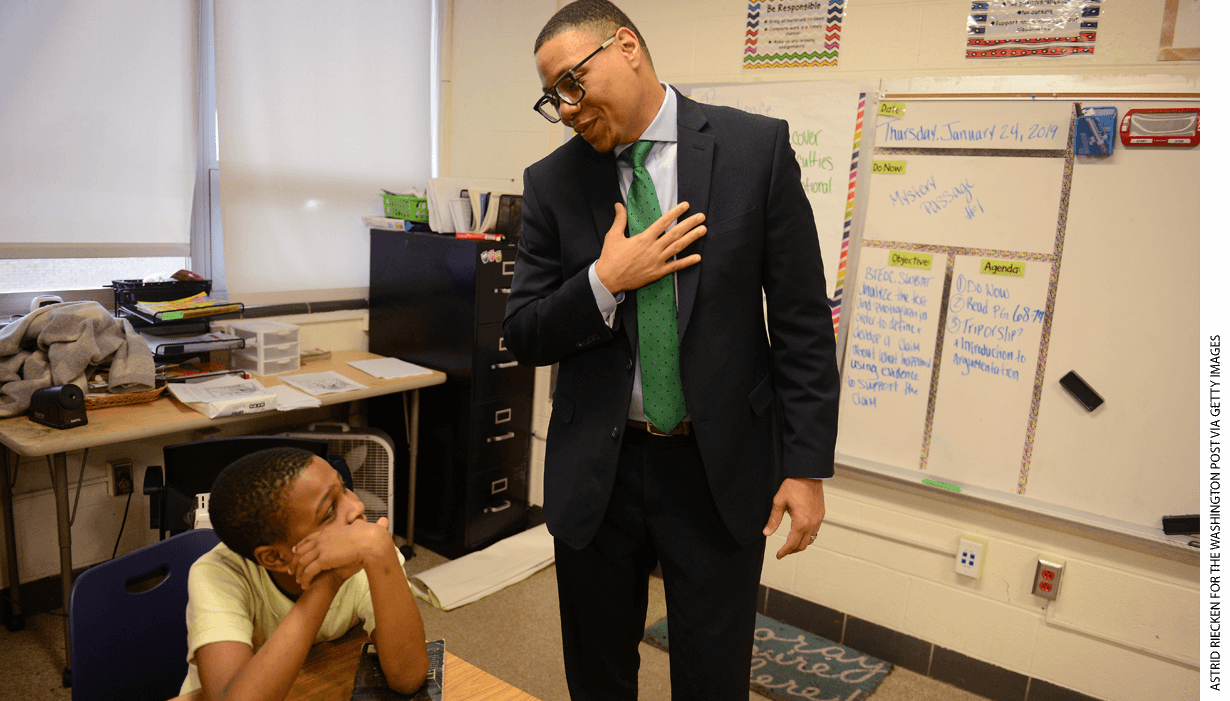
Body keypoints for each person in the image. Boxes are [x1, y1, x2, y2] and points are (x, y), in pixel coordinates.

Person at [502, 1, 841, 699]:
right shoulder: (552, 183)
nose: (565, 110)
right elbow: (525, 331)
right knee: (597, 676)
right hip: (599, 468)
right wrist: (605, 280)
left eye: (572, 84)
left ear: (625, 47)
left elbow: (803, 321)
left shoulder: (755, 151)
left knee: (712, 677)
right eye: (551, 98)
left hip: (717, 467)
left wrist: (806, 467)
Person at [178, 447, 429, 700]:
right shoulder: (218, 575)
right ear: (274, 557)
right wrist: (329, 581)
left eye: (343, 488)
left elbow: (408, 678)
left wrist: (382, 551)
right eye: (330, 511)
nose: (357, 507)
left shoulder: (368, 548)